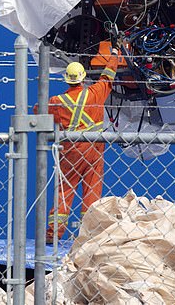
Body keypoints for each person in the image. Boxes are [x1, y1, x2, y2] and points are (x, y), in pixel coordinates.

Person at [44, 45, 119, 243]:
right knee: (92, 190)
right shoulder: (95, 93)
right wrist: (115, 54)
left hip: (70, 151)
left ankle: (53, 235)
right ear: (84, 78)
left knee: (64, 191)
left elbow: (41, 114)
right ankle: (89, 234)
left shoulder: (56, 101)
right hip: (94, 149)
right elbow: (108, 77)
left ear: (67, 80)